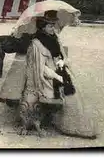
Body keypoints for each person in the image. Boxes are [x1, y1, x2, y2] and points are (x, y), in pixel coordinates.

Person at [18, 10, 98, 139]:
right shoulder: (36, 44)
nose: (53, 28)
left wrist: (62, 61)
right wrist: (58, 76)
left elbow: (63, 56)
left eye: (53, 25)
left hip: (59, 69)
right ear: (43, 27)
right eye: (50, 26)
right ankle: (69, 126)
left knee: (75, 91)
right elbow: (40, 68)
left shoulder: (54, 37)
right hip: (47, 77)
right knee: (68, 91)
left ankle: (76, 126)